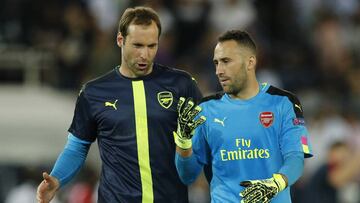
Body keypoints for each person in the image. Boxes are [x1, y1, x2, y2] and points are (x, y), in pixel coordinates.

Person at [36, 6, 202, 203]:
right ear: (120, 40)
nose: (145, 55)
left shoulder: (181, 85)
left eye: (152, 46)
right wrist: (57, 178)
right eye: (138, 45)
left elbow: (201, 149)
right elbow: (77, 148)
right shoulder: (93, 93)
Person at [173, 30, 313, 203]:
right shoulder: (205, 110)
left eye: (226, 61)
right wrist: (184, 143)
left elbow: (296, 158)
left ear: (250, 62)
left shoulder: (283, 103)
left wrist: (276, 183)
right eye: (216, 63)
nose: (218, 70)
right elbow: (187, 176)